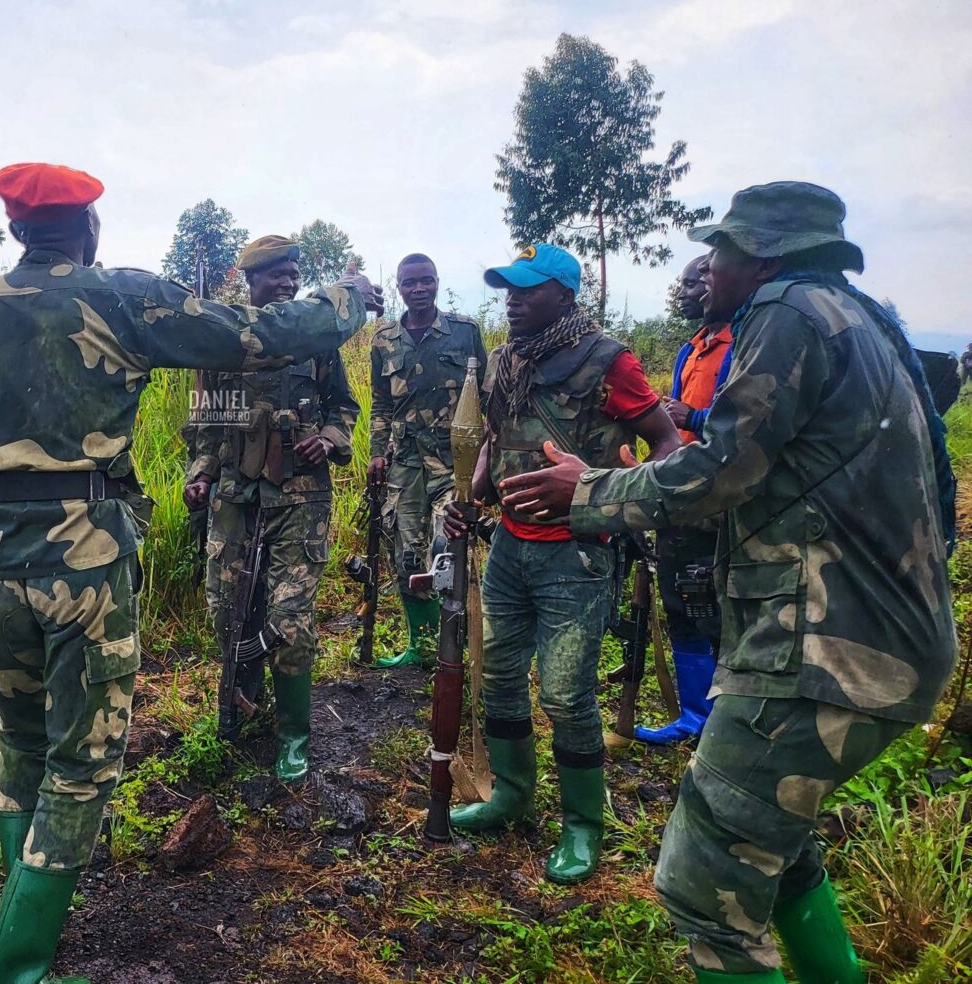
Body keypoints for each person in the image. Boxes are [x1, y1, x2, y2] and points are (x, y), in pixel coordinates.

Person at [0, 165, 382, 984]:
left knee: (20, 739)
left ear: (16, 232)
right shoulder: (123, 298)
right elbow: (264, 335)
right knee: (84, 761)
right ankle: (19, 969)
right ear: (89, 228)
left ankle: (20, 920)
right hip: (85, 562)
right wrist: (348, 294)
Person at [493, 182, 957, 984]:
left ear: (765, 254)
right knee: (779, 848)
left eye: (723, 250)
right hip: (876, 636)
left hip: (824, 649)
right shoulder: (864, 319)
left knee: (704, 881)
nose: (709, 266)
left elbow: (719, 470)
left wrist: (591, 493)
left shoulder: (788, 313)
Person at [442, 243, 680, 885]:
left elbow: (668, 443)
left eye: (528, 289)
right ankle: (512, 796)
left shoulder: (609, 360)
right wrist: (474, 495)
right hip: (511, 548)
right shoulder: (503, 360)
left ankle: (582, 826)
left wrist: (601, 486)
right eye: (508, 290)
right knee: (499, 677)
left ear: (565, 296)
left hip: (578, 552)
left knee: (569, 695)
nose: (513, 301)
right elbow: (494, 436)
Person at [183, 235, 360, 781]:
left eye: (293, 273)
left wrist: (328, 439)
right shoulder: (222, 341)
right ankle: (243, 704)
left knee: (289, 619)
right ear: (250, 280)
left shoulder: (315, 343)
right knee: (227, 609)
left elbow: (345, 407)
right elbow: (205, 425)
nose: (287, 282)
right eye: (275, 274)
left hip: (300, 498)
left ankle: (293, 736)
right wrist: (202, 473)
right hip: (236, 495)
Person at [365, 252, 488, 668]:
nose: (418, 289)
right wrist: (376, 453)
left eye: (426, 281)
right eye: (409, 283)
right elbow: (381, 404)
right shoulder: (384, 339)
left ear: (437, 282)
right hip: (405, 465)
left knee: (447, 548)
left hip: (455, 464)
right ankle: (422, 644)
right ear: (398, 287)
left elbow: (485, 398)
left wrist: (489, 459)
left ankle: (459, 645)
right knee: (406, 555)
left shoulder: (464, 332)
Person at [637, 254, 732, 745]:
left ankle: (723, 718)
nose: (686, 291)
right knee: (681, 596)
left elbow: (751, 422)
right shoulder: (690, 349)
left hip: (720, 496)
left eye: (695, 281)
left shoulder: (744, 344)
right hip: (680, 490)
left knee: (716, 601)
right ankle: (694, 715)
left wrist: (692, 417)